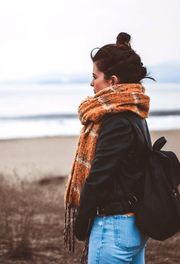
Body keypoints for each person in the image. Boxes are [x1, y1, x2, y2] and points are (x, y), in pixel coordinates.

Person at [64, 32, 154, 264]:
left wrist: (81, 226)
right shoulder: (135, 113)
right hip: (134, 225)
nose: (91, 83)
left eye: (95, 77)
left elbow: (99, 177)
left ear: (112, 81)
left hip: (113, 227)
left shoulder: (116, 121)